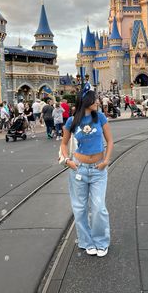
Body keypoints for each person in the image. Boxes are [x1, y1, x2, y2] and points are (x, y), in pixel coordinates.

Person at [61, 84, 113, 257]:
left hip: (98, 169)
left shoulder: (100, 118)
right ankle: (86, 241)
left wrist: (106, 160)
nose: (97, 101)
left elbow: (110, 141)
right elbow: (63, 143)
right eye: (94, 98)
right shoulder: (72, 121)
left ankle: (101, 241)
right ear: (86, 101)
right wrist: (67, 161)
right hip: (79, 170)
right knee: (80, 208)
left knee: (99, 207)